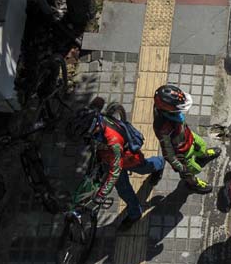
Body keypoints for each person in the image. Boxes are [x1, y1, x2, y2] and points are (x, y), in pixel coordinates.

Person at [71, 98, 165, 230]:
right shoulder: (96, 119)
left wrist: (101, 196)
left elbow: (114, 172)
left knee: (141, 172)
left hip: (127, 159)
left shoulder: (113, 141)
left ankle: (160, 163)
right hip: (110, 157)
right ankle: (135, 212)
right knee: (124, 189)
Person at [153, 84, 221, 193]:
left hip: (188, 136)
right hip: (183, 154)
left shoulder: (165, 109)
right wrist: (181, 167)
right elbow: (168, 154)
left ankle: (202, 156)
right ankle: (193, 183)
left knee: (202, 145)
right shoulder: (163, 129)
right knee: (191, 171)